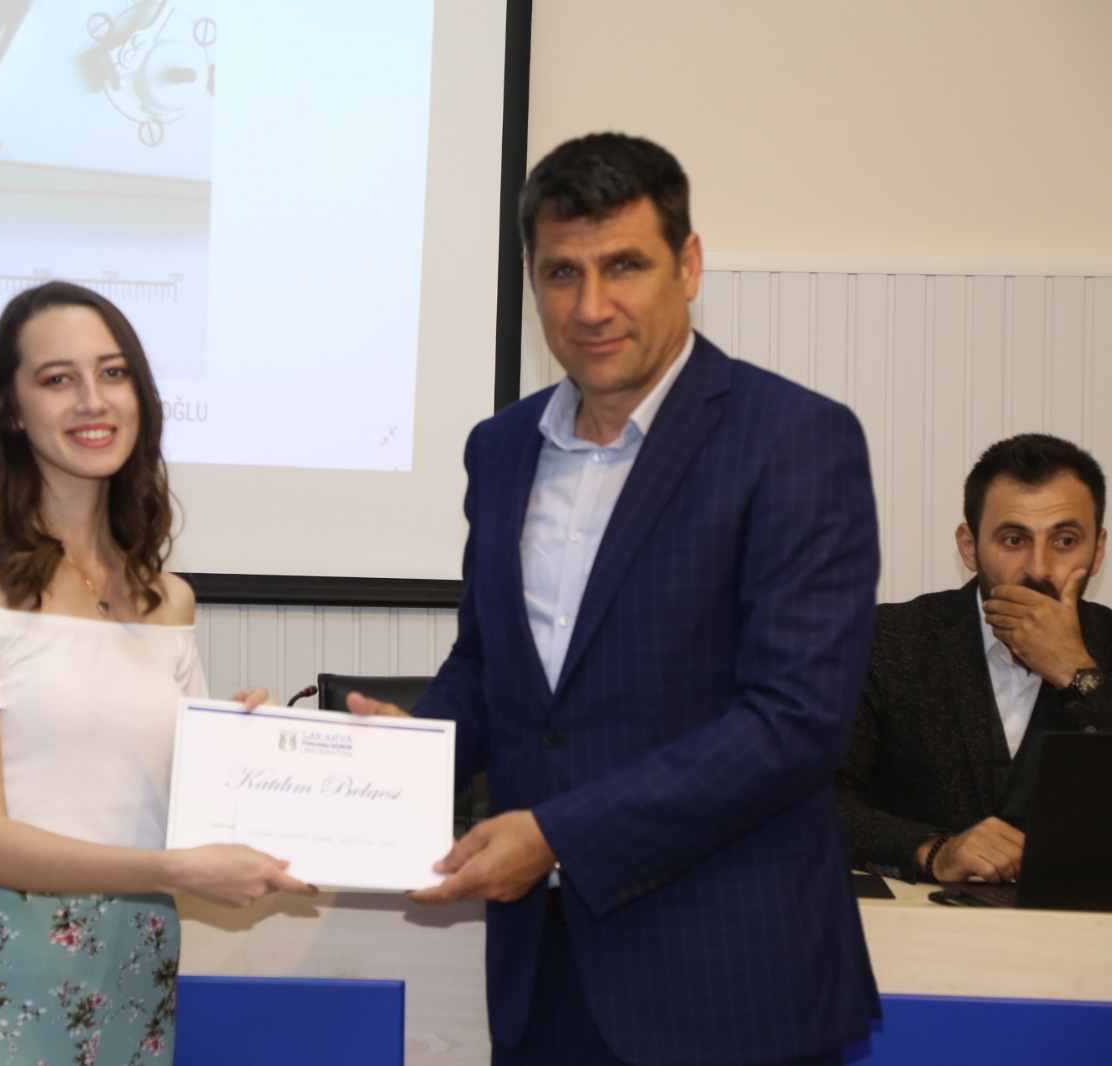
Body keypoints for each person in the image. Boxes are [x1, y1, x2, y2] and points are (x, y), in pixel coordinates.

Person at [352, 133, 880, 1065]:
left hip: (730, 986)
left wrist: (558, 836)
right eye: (562, 272)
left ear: (690, 264)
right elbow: (488, 664)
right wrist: (402, 760)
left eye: (624, 266)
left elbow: (795, 720)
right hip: (542, 977)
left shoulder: (796, 439)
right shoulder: (501, 447)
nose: (591, 306)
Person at [0, 281, 314, 1065]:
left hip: (137, 969)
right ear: (10, 410)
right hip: (3, 973)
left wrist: (241, 754)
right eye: (58, 379)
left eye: (114, 372)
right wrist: (172, 868)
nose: (93, 400)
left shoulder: (168, 598)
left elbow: (173, 813)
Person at [837, 433, 1112, 884]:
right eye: (1013, 539)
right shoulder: (883, 640)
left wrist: (1078, 674)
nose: (1039, 568)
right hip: (921, 921)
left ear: (1097, 551)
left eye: (1065, 541)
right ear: (969, 547)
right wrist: (930, 850)